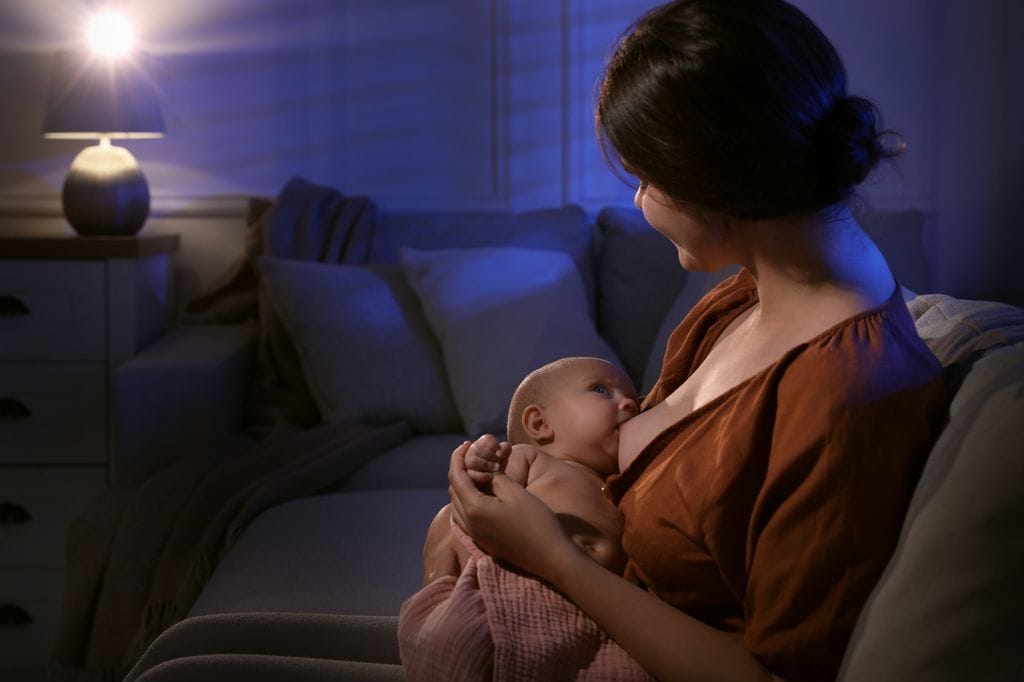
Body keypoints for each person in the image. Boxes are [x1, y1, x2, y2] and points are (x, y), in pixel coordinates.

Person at [447, 2, 948, 681]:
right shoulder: (749, 293)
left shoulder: (842, 400)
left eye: (648, 180)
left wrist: (553, 558)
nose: (638, 203)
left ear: (713, 184)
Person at [419, 355, 639, 586]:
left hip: (593, 604)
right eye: (600, 389)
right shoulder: (530, 459)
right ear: (539, 424)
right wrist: (482, 464)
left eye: (633, 399)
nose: (629, 404)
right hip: (516, 587)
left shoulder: (626, 482)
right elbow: (477, 502)